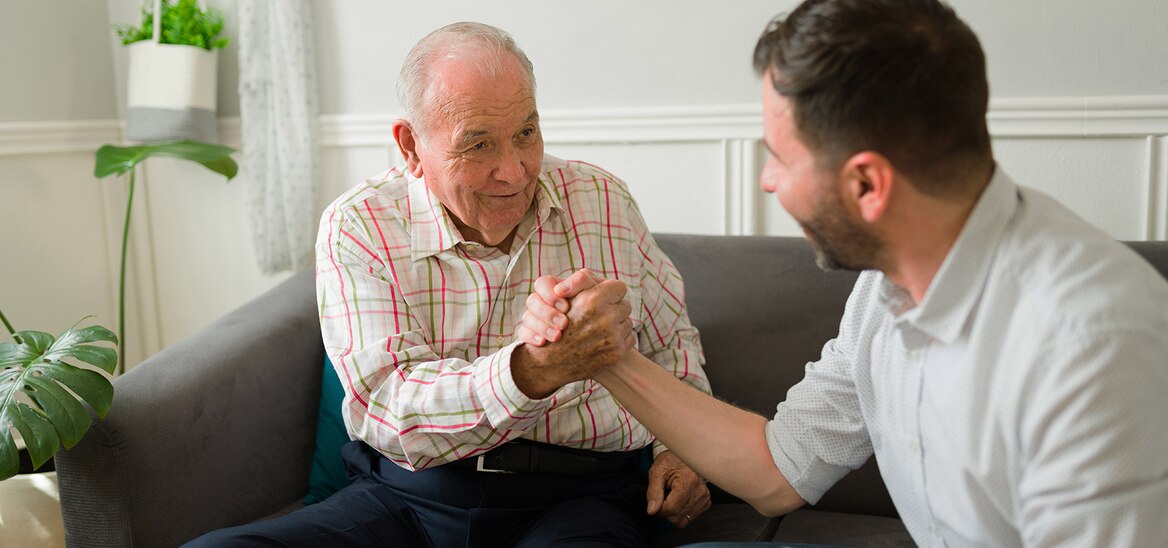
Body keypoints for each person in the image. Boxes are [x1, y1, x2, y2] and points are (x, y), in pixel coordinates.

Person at [518, 0, 1168, 545]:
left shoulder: (1092, 344)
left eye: (779, 157)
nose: (767, 181)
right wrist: (605, 358)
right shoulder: (888, 287)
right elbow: (779, 470)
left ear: (866, 184)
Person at [186, 22, 712, 547]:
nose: (514, 171)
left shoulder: (602, 200)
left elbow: (671, 345)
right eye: (478, 145)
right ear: (411, 146)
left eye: (526, 132)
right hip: (408, 496)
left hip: (582, 495)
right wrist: (531, 371)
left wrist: (684, 452)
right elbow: (390, 406)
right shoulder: (360, 225)